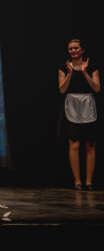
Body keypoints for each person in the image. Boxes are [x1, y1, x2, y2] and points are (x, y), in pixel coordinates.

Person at [58, 39, 100, 190]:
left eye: (76, 48)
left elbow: (96, 88)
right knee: (74, 144)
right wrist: (70, 73)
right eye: (70, 49)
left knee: (89, 144)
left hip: (87, 104)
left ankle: (89, 182)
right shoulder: (63, 68)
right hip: (72, 105)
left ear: (82, 50)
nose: (73, 51)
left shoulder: (91, 67)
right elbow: (62, 90)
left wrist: (84, 72)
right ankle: (77, 181)